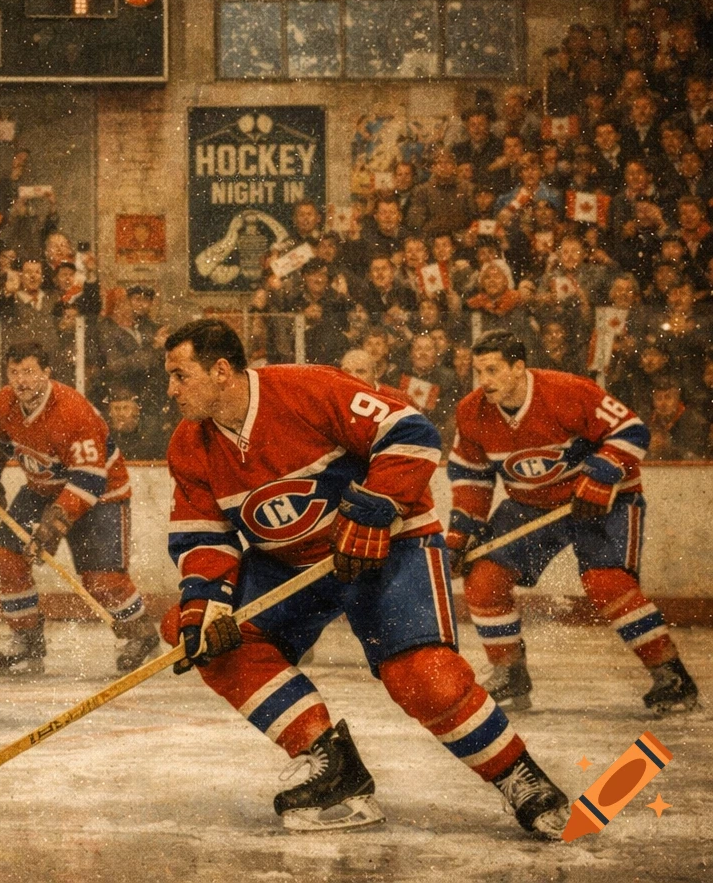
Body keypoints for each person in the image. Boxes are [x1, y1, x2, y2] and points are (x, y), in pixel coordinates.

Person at [161, 319, 570, 838]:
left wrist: (376, 507)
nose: (171, 389)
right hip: (290, 564)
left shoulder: (309, 389)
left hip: (386, 545)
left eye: (180, 375)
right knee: (198, 634)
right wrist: (206, 603)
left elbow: (412, 432)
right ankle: (335, 768)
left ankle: (519, 776)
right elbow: (202, 534)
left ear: (221, 371)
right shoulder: (189, 444)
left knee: (422, 676)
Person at [447, 330, 699, 715]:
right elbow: (472, 477)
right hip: (530, 503)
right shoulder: (472, 411)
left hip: (602, 499)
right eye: (478, 371)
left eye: (493, 370)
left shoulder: (567, 391)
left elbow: (632, 430)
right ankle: (510, 674)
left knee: (606, 582)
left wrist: (601, 476)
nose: (484, 380)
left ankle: (671, 676)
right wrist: (461, 534)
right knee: (483, 578)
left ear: (518, 367)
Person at [0, 341, 160, 675]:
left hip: (101, 494)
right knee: (4, 559)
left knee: (102, 580)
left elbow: (90, 479)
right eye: (14, 372)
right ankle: (27, 639)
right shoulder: (6, 401)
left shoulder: (72, 411)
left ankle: (142, 635)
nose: (21, 381)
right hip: (42, 489)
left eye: (29, 372)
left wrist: (53, 524)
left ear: (46, 372)